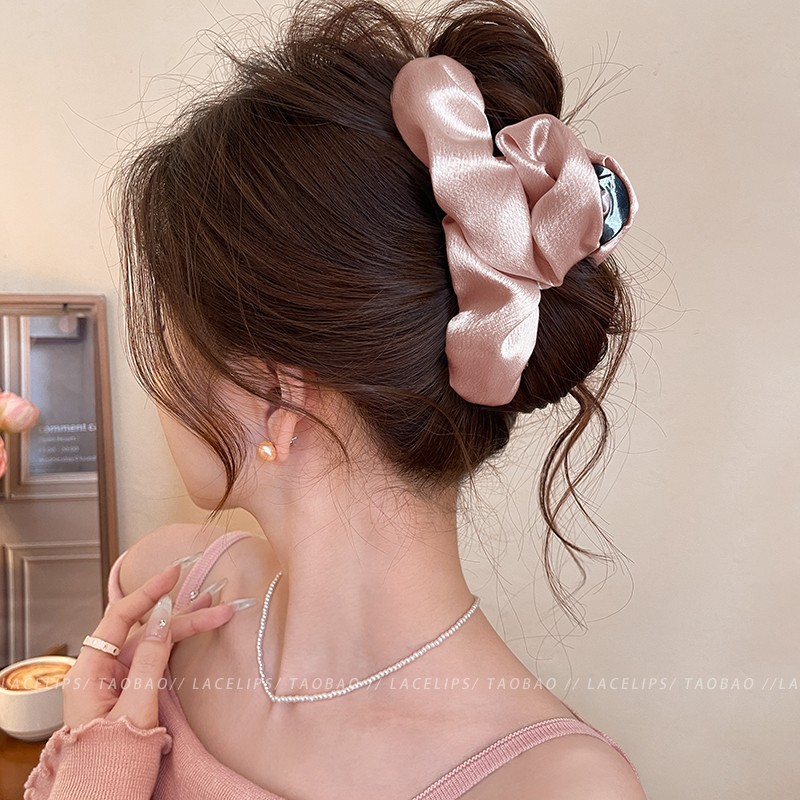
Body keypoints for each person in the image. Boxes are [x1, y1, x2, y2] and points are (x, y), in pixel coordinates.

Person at [24, 0, 646, 797]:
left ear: (274, 395)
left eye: (172, 332)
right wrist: (91, 752)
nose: (155, 380)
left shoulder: (557, 787)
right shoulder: (158, 598)